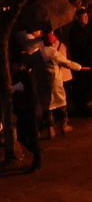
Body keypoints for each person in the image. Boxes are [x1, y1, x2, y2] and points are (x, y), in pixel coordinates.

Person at [12, 35, 45, 171]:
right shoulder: (19, 76)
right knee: (22, 137)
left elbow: (30, 94)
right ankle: (37, 154)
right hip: (23, 110)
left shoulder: (26, 77)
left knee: (31, 137)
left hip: (29, 111)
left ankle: (37, 159)